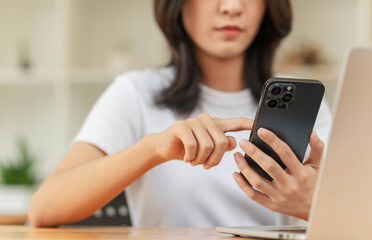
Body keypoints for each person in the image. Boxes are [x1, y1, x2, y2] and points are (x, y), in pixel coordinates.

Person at [29, 0, 332, 228]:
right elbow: (44, 208)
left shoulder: (305, 105)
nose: (231, 7)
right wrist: (154, 148)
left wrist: (313, 205)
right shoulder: (135, 93)